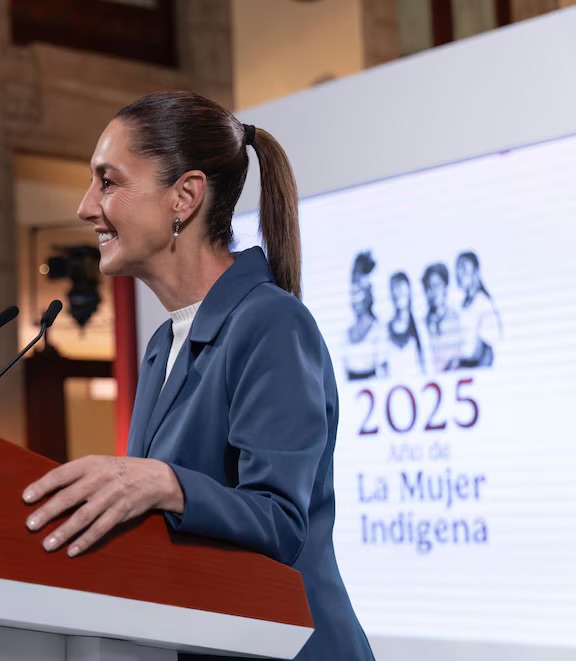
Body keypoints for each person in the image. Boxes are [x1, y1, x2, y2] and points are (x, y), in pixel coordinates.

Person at [21, 92, 374, 660]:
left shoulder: (272, 322)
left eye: (107, 182)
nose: (86, 207)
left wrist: (167, 484)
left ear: (184, 196)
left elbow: (282, 522)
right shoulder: (162, 346)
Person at [343, 252, 387, 380]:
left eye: (361, 289)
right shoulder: (345, 334)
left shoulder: (379, 332)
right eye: (354, 287)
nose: (356, 295)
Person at [455, 251, 501, 368]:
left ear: (475, 272)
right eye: (458, 269)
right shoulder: (461, 305)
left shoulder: (484, 304)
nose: (459, 274)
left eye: (464, 269)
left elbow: (487, 351)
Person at [421, 262, 462, 372]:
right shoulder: (422, 324)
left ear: (445, 287)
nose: (433, 292)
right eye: (429, 287)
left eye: (437, 285)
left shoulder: (456, 320)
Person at [383, 271, 425, 375]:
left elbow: (426, 361)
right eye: (395, 289)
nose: (399, 294)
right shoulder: (385, 330)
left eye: (402, 290)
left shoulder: (420, 326)